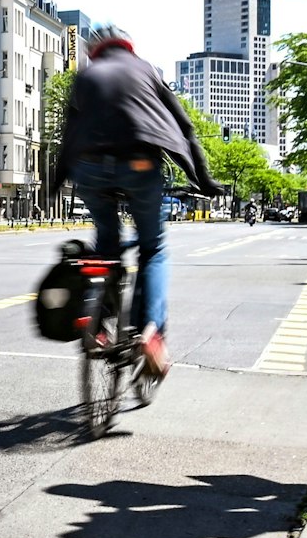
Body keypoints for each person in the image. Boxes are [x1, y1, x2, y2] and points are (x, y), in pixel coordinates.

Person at [50, 24, 222, 375]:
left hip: (90, 166)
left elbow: (69, 133)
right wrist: (202, 178)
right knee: (153, 248)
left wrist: (55, 184)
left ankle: (96, 324)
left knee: (106, 245)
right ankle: (150, 333)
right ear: (127, 48)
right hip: (140, 161)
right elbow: (184, 126)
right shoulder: (147, 70)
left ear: (94, 52)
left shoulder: (85, 76)